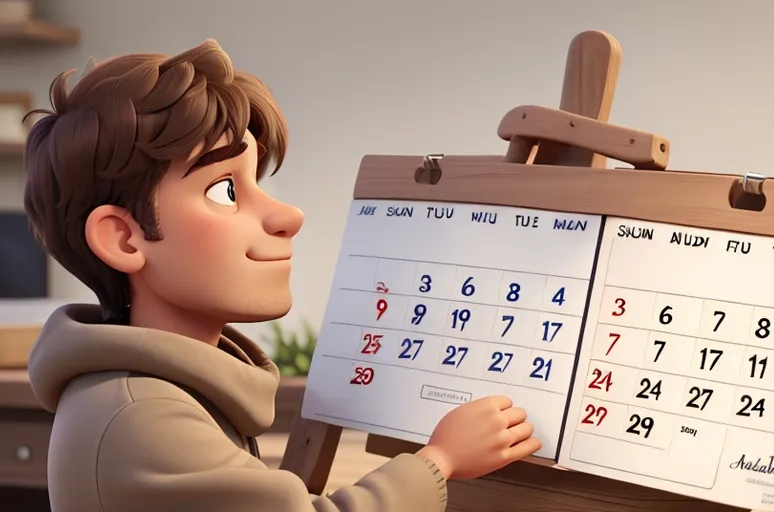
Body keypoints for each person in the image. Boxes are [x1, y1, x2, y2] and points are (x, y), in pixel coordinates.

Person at [23, 39, 542, 512]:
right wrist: (440, 460)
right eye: (225, 191)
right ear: (123, 239)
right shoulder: (141, 415)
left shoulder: (160, 393)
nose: (286, 216)